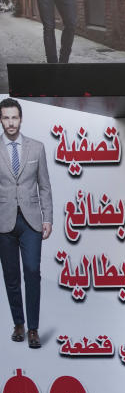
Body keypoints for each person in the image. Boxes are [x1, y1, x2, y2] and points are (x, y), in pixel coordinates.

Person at [0, 98, 52, 350]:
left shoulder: (37, 148)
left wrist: (48, 218)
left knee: (32, 272)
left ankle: (33, 329)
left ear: (21, 119)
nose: (10, 122)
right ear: (1, 120)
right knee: (11, 277)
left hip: (31, 221)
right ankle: (18, 324)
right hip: (3, 222)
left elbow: (44, 186)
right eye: (6, 117)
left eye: (14, 117)